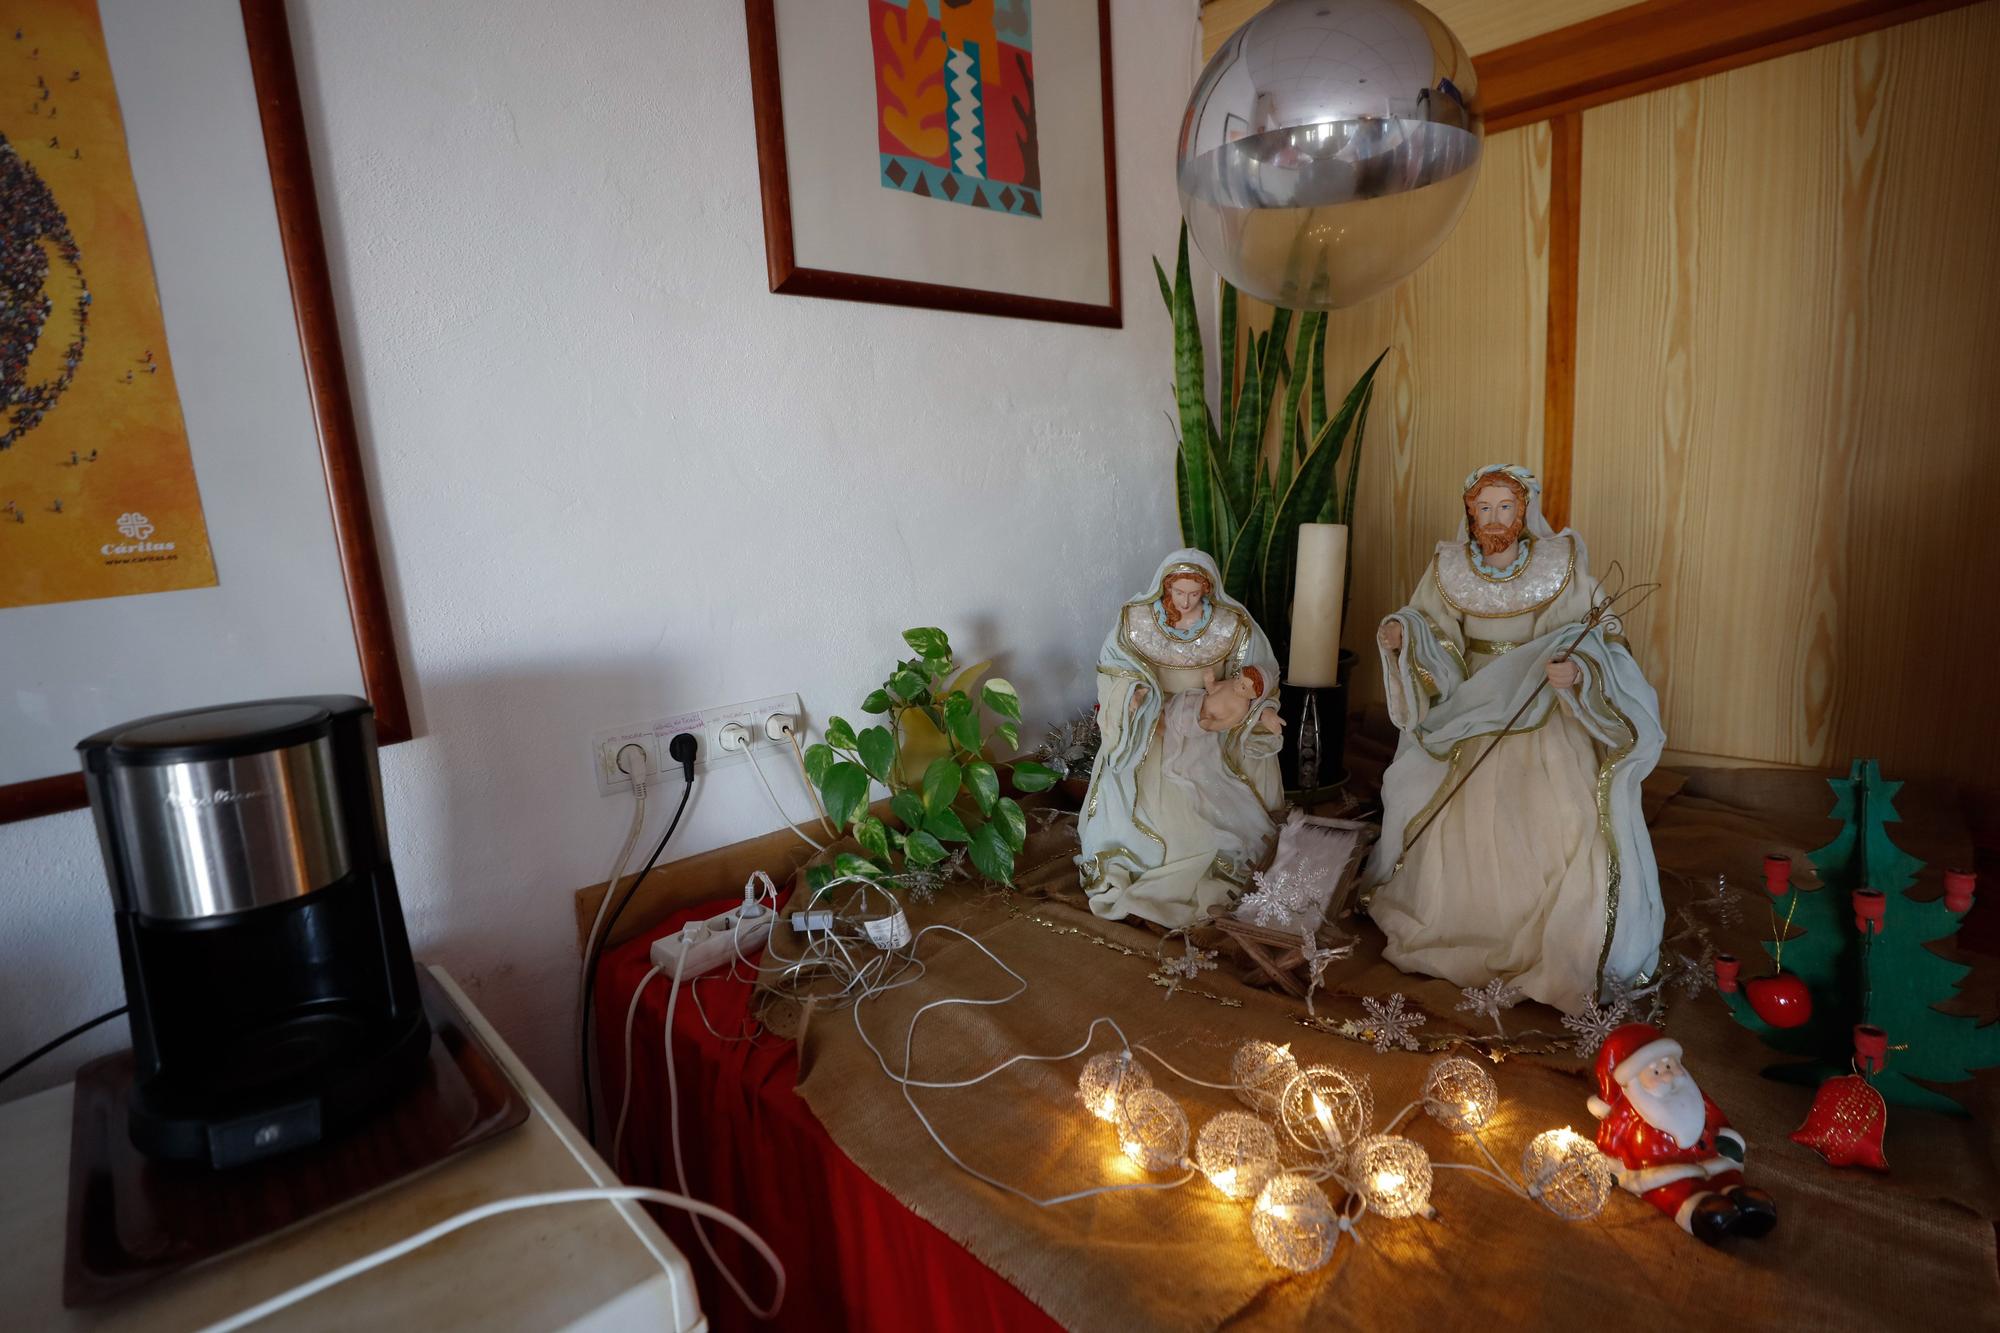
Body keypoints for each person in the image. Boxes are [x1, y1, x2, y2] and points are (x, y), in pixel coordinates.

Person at [1361, 464, 1665, 1012]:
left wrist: (1579, 668)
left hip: (1541, 706)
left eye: (1506, 507)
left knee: (1555, 814)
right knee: (1459, 818)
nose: (1495, 518)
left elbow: (1602, 633)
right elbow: (1434, 628)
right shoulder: (1448, 567)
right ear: (1470, 514)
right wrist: (1404, 635)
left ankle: (1554, 932)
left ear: (1523, 511)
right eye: (1484, 508)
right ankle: (1463, 919)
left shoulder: (1561, 564)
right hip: (1472, 705)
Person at [1078, 550, 1284, 929]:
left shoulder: (1230, 625)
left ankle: (1213, 861)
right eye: (1179, 592)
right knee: (1145, 798)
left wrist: (1259, 708)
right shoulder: (1136, 620)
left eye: (1194, 594)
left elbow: (1256, 674)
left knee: (1214, 802)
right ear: (1165, 587)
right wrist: (1133, 696)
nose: (1186, 601)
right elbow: (1112, 667)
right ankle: (1144, 864)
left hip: (1207, 732)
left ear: (1207, 590)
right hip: (1152, 726)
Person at [1588, 1023, 1777, 1243]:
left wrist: (1726, 1139)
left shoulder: (1694, 1096)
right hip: (1663, 1169)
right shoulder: (1627, 1113)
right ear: (1632, 1082)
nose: (1668, 1077)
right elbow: (1611, 1141)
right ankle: (1701, 1213)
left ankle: (1743, 1199)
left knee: (1727, 1176)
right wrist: (1614, 1163)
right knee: (1676, 1192)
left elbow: (1715, 1118)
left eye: (1670, 1066)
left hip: (1711, 1158)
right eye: (1656, 1072)